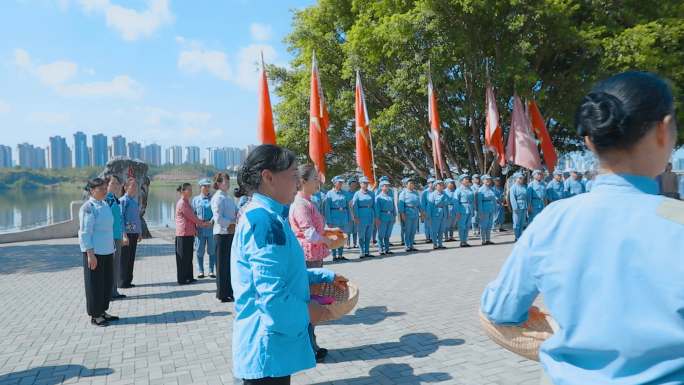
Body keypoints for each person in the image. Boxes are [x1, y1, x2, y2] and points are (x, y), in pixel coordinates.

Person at [481, 71, 682, 384]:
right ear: (664, 130)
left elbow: (499, 309)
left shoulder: (552, 219)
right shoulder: (678, 221)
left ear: (589, 139)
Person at [231, 144, 347, 384]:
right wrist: (308, 312)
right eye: (293, 175)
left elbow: (282, 271)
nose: (297, 182)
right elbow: (271, 296)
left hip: (273, 347)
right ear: (268, 177)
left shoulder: (271, 216)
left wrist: (321, 277)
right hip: (267, 349)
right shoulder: (265, 221)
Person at [289, 164, 338, 363]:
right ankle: (308, 346)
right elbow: (308, 232)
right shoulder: (300, 204)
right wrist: (328, 240)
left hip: (314, 255)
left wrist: (329, 231)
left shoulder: (309, 202)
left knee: (313, 300)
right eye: (315, 179)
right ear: (302, 182)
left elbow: (317, 227)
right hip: (307, 257)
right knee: (309, 302)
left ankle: (311, 343)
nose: (318, 182)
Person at [78, 178, 118, 327]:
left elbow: (108, 229)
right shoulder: (88, 208)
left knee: (106, 283)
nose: (104, 191)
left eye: (104, 188)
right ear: (92, 190)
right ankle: (95, 315)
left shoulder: (105, 204)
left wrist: (112, 249)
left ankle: (102, 311)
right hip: (95, 252)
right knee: (94, 284)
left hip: (107, 250)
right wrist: (90, 254)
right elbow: (85, 233)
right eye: (100, 189)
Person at [211, 172, 238, 303]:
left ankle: (229, 291)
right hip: (221, 234)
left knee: (229, 264)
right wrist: (231, 223)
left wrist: (235, 221)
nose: (227, 183)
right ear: (218, 184)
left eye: (228, 181)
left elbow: (234, 213)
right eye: (224, 181)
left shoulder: (228, 197)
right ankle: (222, 293)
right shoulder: (217, 198)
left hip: (230, 233)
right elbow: (217, 218)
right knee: (221, 265)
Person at [175, 183, 210, 285]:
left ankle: (189, 277)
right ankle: (182, 279)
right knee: (182, 258)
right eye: (188, 190)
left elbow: (193, 216)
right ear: (183, 191)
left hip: (189, 233)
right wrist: (203, 223)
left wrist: (201, 221)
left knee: (189, 256)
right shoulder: (182, 203)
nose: (191, 191)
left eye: (191, 189)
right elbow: (192, 217)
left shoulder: (187, 202)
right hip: (183, 234)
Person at [104, 175, 125, 300]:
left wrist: (122, 235)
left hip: (117, 236)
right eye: (113, 183)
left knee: (116, 265)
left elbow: (119, 219)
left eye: (117, 183)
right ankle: (109, 292)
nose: (116, 186)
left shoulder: (115, 199)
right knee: (110, 266)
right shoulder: (107, 200)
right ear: (106, 185)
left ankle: (114, 291)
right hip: (110, 238)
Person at [118, 178, 141, 289]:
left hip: (134, 233)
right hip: (127, 234)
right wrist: (124, 234)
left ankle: (128, 280)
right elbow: (120, 218)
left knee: (131, 257)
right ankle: (122, 281)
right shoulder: (123, 200)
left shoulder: (134, 201)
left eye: (136, 187)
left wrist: (139, 232)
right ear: (125, 187)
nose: (135, 189)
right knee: (124, 258)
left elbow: (137, 218)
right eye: (133, 186)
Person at [192, 178, 216, 279]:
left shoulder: (213, 199)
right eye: (204, 186)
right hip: (200, 228)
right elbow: (192, 215)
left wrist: (211, 221)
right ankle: (201, 271)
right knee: (199, 250)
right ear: (200, 187)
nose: (207, 188)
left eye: (208, 186)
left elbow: (216, 212)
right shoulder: (195, 200)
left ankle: (211, 271)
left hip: (211, 228)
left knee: (212, 250)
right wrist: (195, 227)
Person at [324, 176, 351, 261]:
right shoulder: (329, 193)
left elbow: (348, 206)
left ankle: (340, 255)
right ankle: (334, 256)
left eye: (341, 182)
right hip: (334, 218)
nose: (340, 184)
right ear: (334, 183)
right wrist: (328, 220)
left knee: (342, 236)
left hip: (343, 217)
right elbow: (327, 209)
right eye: (339, 182)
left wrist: (349, 218)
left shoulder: (345, 193)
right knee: (334, 237)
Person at [352, 176, 376, 258]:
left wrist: (375, 216)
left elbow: (374, 206)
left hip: (370, 216)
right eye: (364, 183)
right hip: (361, 217)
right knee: (361, 235)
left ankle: (367, 252)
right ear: (360, 184)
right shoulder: (357, 194)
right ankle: (361, 252)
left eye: (367, 183)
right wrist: (356, 217)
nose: (366, 184)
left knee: (368, 235)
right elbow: (355, 206)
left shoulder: (371, 193)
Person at [397, 177, 422, 252]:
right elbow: (400, 205)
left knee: (413, 230)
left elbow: (419, 203)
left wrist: (422, 212)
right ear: (406, 185)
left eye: (413, 183)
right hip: (407, 213)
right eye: (410, 183)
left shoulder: (415, 193)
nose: (412, 185)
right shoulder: (403, 193)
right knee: (407, 230)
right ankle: (407, 246)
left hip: (415, 213)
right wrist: (402, 214)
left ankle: (411, 245)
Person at [375, 180, 396, 255]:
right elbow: (377, 209)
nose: (387, 187)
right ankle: (381, 249)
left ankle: (387, 249)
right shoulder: (378, 198)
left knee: (388, 234)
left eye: (388, 185)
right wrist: (377, 218)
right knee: (381, 234)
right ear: (381, 187)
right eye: (385, 185)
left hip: (390, 217)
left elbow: (393, 207)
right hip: (382, 217)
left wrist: (394, 216)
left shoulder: (390, 197)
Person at [428, 179, 450, 250]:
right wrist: (429, 217)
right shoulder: (432, 195)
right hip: (435, 215)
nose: (441, 186)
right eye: (439, 185)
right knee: (435, 230)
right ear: (435, 186)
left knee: (441, 230)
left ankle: (440, 244)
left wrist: (447, 214)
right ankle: (435, 244)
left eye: (442, 185)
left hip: (443, 214)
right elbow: (430, 207)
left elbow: (448, 202)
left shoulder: (445, 194)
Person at [509, 173, 531, 241]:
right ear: (516, 179)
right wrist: (515, 207)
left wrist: (528, 205)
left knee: (522, 222)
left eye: (522, 178)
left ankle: (520, 236)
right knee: (516, 223)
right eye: (519, 178)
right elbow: (512, 198)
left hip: (524, 206)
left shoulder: (524, 187)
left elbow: (527, 197)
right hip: (517, 206)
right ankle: (516, 236)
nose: (521, 179)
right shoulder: (513, 187)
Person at [477, 175, 497, 245]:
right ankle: (483, 240)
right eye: (486, 180)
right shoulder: (481, 190)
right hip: (484, 209)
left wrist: (495, 208)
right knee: (483, 225)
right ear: (483, 181)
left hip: (491, 208)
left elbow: (494, 199)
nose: (488, 181)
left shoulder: (491, 189)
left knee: (489, 225)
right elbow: (479, 202)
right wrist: (480, 212)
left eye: (489, 179)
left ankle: (488, 239)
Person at [455, 175, 474, 247]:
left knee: (467, 226)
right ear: (461, 181)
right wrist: (457, 212)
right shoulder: (458, 190)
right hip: (462, 209)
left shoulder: (470, 189)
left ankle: (465, 241)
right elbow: (455, 202)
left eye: (467, 179)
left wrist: (473, 209)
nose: (467, 180)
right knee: (462, 226)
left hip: (469, 208)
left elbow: (472, 200)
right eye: (465, 179)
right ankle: (462, 241)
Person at [345, 176, 359, 249]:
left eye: (355, 184)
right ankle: (347, 244)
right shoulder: (346, 194)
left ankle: (355, 243)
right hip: (349, 214)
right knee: (348, 230)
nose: (354, 185)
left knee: (355, 230)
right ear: (349, 185)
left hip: (356, 214)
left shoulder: (357, 193)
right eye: (352, 184)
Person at [421, 178, 435, 243]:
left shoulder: (436, 191)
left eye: (433, 182)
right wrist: (423, 212)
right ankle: (427, 238)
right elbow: (423, 203)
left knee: (434, 224)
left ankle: (433, 237)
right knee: (427, 225)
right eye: (430, 183)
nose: (432, 184)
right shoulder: (425, 192)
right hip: (427, 209)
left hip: (435, 210)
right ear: (428, 184)